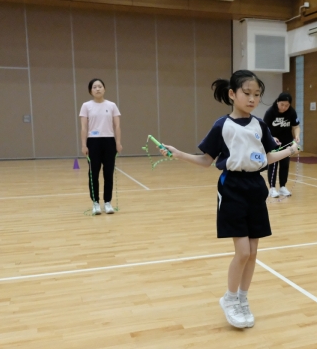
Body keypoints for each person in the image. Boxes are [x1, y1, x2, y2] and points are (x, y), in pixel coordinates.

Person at [158, 70, 299, 329]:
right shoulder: (222, 126)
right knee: (242, 251)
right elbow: (206, 160)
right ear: (232, 94)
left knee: (253, 252)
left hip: (256, 187)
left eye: (257, 94)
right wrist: (179, 154)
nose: (252, 98)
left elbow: (266, 157)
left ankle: (243, 299)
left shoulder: (260, 126)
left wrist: (289, 150)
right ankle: (230, 299)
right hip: (232, 187)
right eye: (247, 93)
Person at [80, 79, 123, 215]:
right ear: (90, 90)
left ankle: (108, 202)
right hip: (93, 142)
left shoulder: (112, 105)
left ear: (104, 89)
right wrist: (84, 145)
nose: (97, 89)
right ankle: (96, 203)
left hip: (109, 141)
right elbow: (84, 127)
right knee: (93, 174)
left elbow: (117, 126)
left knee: (108, 173)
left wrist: (118, 143)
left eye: (100, 86)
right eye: (94, 87)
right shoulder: (86, 106)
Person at [263, 92, 300, 198]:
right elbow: (264, 129)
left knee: (285, 165)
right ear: (278, 102)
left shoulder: (291, 112)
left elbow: (296, 126)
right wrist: (271, 137)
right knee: (273, 164)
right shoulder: (270, 112)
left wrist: (297, 135)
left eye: (287, 105)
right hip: (273, 142)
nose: (284, 107)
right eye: (282, 104)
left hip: (287, 142)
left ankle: (283, 187)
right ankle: (272, 188)